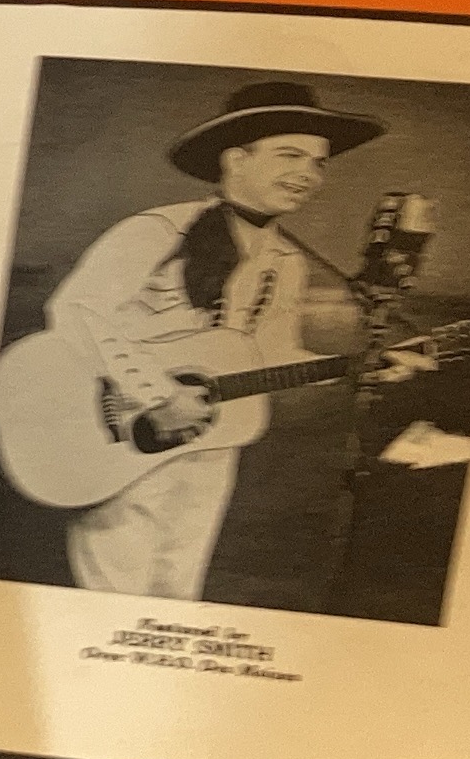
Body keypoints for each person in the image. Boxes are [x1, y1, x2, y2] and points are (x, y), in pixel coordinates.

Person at [37, 79, 405, 603]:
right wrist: (155, 396)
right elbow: (75, 311)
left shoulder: (286, 260)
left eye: (319, 163)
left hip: (211, 445)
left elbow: (270, 356)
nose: (308, 174)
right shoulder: (158, 231)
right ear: (236, 158)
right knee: (112, 593)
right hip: (123, 433)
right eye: (290, 155)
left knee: (178, 590)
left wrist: (360, 365)